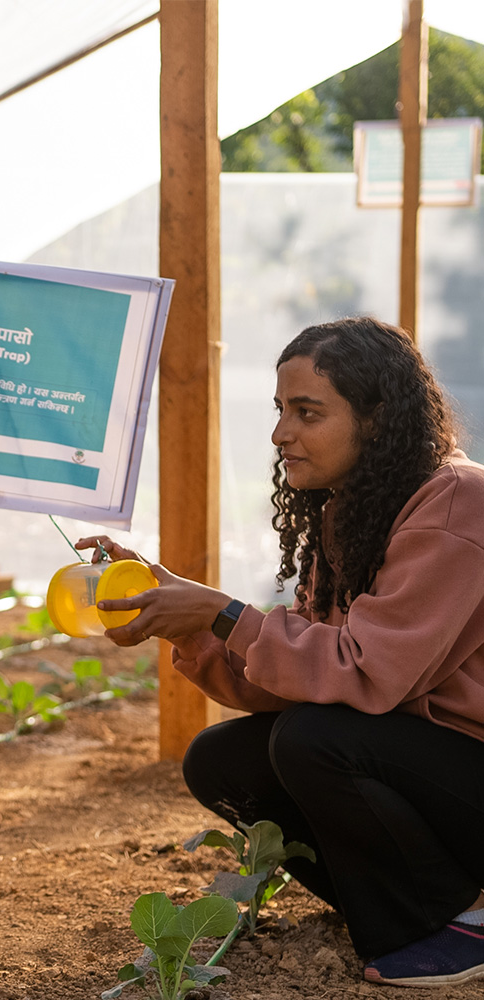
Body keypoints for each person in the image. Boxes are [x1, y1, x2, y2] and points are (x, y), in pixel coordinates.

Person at [79, 317, 484, 987]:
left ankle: (460, 918)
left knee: (313, 739)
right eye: (280, 409)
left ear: (378, 419)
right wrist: (191, 625)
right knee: (223, 760)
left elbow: (368, 672)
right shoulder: (349, 512)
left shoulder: (457, 506)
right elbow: (298, 678)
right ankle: (419, 906)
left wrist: (222, 611)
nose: (280, 433)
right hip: (432, 772)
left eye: (307, 412)